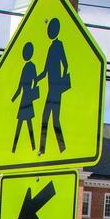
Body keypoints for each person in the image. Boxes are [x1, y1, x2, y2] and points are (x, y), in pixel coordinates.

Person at [38, 18, 71, 155]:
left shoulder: (58, 45)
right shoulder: (51, 47)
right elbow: (45, 70)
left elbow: (66, 64)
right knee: (49, 119)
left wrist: (61, 81)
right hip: (51, 88)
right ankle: (50, 149)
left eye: (51, 30)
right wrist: (35, 79)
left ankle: (56, 148)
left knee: (52, 119)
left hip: (55, 89)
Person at [10, 41, 40, 153]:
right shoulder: (25, 68)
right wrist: (12, 99)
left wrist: (33, 90)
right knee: (22, 123)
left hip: (27, 98)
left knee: (27, 123)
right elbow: (20, 87)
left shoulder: (31, 67)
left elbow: (35, 80)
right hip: (24, 99)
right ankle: (15, 147)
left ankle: (32, 146)